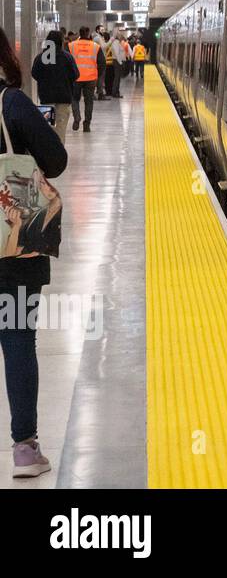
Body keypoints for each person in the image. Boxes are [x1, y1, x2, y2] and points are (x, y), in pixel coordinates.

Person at [0, 27, 67, 478]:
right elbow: (56, 160)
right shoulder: (12, 103)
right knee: (18, 336)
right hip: (13, 240)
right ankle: (25, 450)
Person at [29, 30, 77, 141]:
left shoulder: (41, 58)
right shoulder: (67, 57)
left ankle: (48, 153)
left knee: (47, 129)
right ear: (61, 42)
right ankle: (59, 154)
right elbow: (75, 75)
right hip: (64, 98)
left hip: (46, 98)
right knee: (60, 129)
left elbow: (34, 74)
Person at [69, 27, 102, 133]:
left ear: (80, 33)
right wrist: (98, 75)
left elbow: (66, 60)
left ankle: (77, 117)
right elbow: (102, 63)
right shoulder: (96, 46)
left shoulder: (71, 45)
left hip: (75, 78)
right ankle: (87, 125)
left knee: (74, 99)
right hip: (91, 78)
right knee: (89, 102)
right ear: (88, 34)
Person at [108, 32, 128, 98]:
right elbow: (117, 53)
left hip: (117, 61)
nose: (121, 37)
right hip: (117, 61)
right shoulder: (116, 42)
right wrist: (120, 62)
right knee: (117, 78)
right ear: (117, 36)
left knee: (118, 78)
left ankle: (116, 92)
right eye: (120, 35)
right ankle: (115, 93)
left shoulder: (117, 42)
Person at [92, 25, 107, 100]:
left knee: (100, 77)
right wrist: (112, 40)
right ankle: (99, 93)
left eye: (104, 29)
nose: (103, 31)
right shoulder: (97, 38)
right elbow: (104, 47)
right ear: (97, 30)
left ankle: (99, 93)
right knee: (100, 77)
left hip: (100, 59)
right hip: (99, 60)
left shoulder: (100, 37)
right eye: (102, 29)